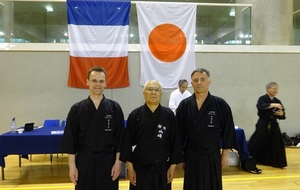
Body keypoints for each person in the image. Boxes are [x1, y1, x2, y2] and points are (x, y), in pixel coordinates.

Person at [61, 66, 125, 190]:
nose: (98, 84)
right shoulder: (76, 109)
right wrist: (72, 166)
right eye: (94, 80)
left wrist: (118, 163)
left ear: (106, 83)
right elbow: (71, 140)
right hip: (84, 161)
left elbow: (120, 138)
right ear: (87, 82)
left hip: (108, 161)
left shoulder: (115, 108)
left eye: (101, 81)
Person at [176, 68, 237, 190]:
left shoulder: (220, 104)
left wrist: (225, 154)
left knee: (212, 184)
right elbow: (178, 133)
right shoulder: (184, 105)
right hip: (191, 153)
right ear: (192, 84)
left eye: (202, 79)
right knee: (192, 184)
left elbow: (228, 129)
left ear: (209, 82)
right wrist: (179, 156)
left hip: (212, 153)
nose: (199, 82)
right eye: (195, 80)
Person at [120, 80, 183, 190]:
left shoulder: (169, 116)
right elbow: (127, 143)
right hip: (140, 169)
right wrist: (130, 168)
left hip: (163, 168)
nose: (153, 92)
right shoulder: (135, 115)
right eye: (150, 89)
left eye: (157, 89)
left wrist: (172, 167)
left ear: (161, 94)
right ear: (144, 93)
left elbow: (175, 142)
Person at [248, 82, 287, 168]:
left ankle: (274, 162)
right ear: (268, 89)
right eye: (273, 88)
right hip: (263, 123)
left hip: (274, 125)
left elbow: (282, 114)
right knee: (257, 141)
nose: (275, 90)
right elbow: (261, 106)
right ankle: (252, 158)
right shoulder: (262, 99)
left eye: (276, 89)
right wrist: (273, 105)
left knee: (276, 143)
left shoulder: (277, 101)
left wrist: (281, 114)